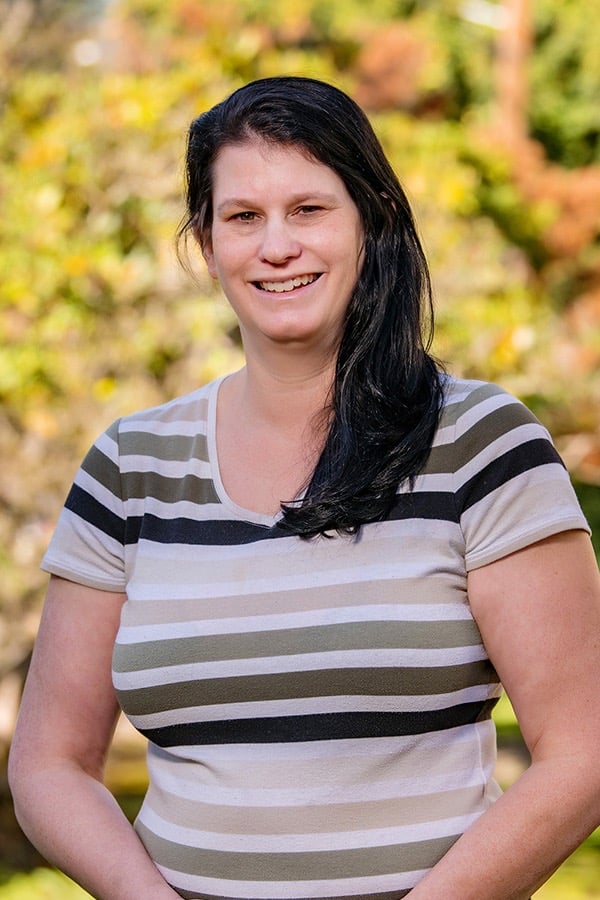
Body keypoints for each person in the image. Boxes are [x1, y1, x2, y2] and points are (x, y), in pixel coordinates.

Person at [8, 76, 600, 900]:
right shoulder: (130, 465)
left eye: (309, 209)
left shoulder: (479, 444)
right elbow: (49, 762)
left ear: (374, 221)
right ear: (208, 242)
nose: (275, 245)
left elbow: (583, 752)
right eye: (243, 216)